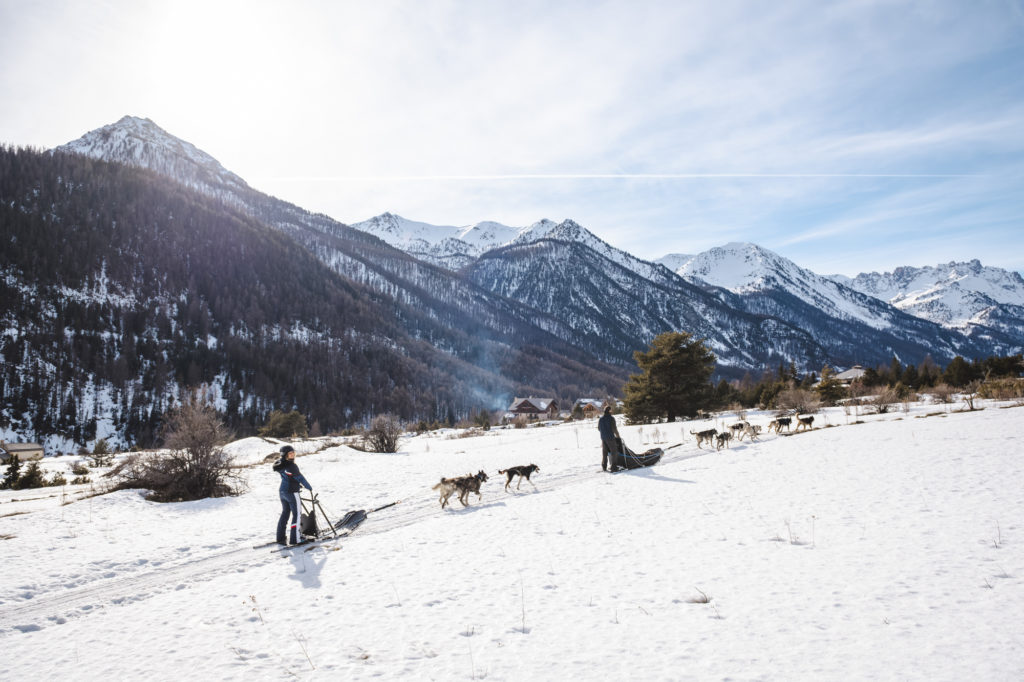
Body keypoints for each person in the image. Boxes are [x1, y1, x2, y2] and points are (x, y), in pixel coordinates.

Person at [273, 445, 313, 545]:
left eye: (293, 453)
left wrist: (296, 483)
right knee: (297, 515)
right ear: (285, 455)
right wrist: (308, 487)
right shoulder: (292, 466)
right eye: (290, 453)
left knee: (285, 513)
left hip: (282, 492)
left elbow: (289, 476)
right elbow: (300, 478)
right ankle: (296, 539)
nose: (292, 455)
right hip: (291, 493)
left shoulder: (281, 464)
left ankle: (280, 537)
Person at [597, 406, 621, 472]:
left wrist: (604, 432)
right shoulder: (611, 418)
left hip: (603, 438)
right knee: (614, 452)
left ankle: (604, 467)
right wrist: (618, 436)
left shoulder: (601, 419)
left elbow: (599, 428)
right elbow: (614, 429)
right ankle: (614, 467)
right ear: (609, 411)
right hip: (610, 438)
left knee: (604, 453)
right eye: (611, 410)